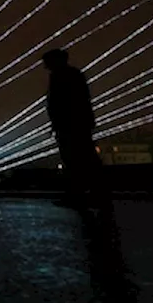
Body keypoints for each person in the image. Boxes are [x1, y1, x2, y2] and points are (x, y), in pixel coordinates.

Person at [43, 48, 107, 208]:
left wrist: (59, 122)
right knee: (81, 158)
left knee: (77, 159)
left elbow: (65, 102)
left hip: (71, 124)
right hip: (74, 123)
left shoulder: (64, 76)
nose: (45, 66)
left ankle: (83, 194)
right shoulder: (70, 74)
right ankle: (89, 193)